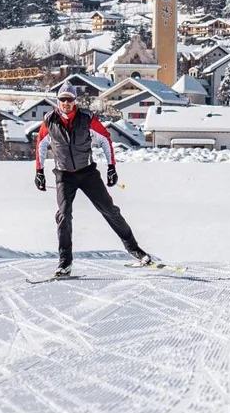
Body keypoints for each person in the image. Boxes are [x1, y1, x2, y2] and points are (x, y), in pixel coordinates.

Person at [34, 87, 157, 278]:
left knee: (110, 210)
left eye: (69, 99)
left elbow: (105, 139)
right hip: (64, 175)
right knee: (63, 215)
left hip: (87, 173)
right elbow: (41, 144)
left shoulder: (86, 118)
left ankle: (135, 250)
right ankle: (64, 262)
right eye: (62, 100)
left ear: (75, 100)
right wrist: (39, 172)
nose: (66, 103)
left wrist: (111, 167)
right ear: (57, 101)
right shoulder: (50, 121)